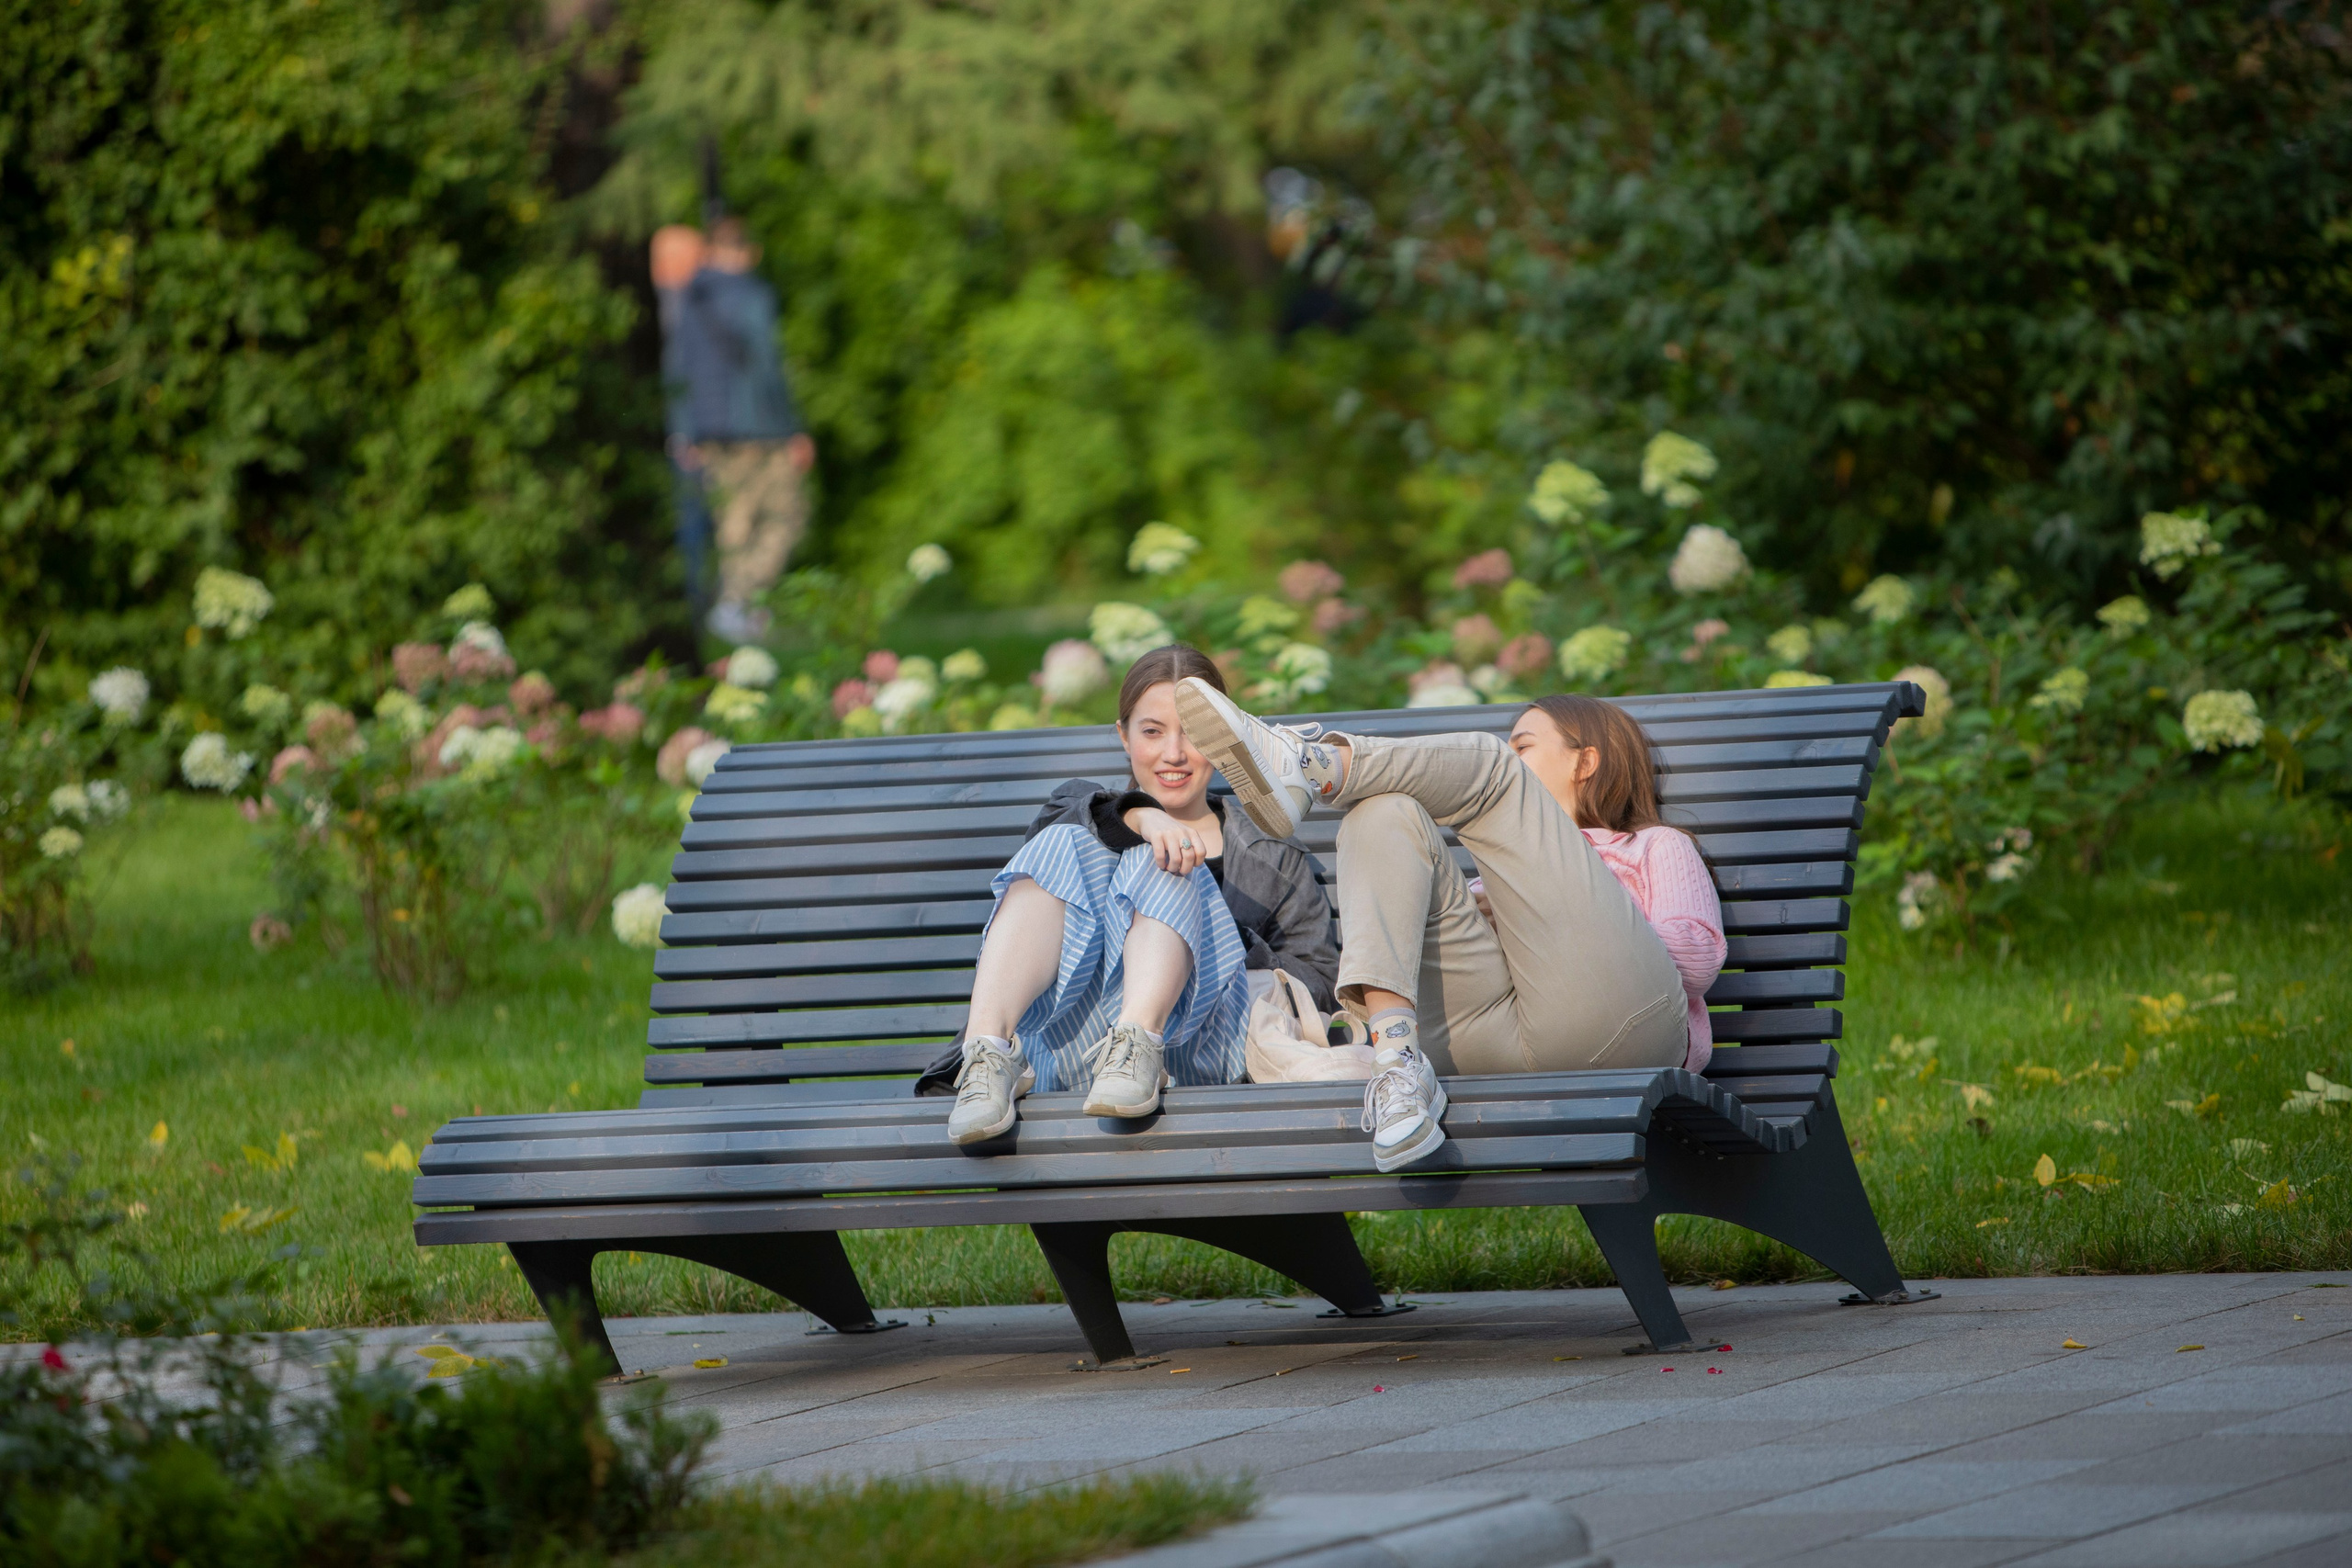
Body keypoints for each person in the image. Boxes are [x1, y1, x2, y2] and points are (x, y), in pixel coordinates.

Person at [1172, 681, 1725, 1174]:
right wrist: (1497, 916)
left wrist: (1562, 917)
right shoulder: (1494, 877)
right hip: (1486, 1043)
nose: (1515, 753)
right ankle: (1398, 1068)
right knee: (1381, 812)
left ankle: (1310, 765)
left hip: (1623, 1028)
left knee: (1491, 769)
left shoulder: (1653, 846)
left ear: (1586, 762)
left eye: (1525, 746)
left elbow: (1698, 960)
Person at [935, 645, 1340, 1145]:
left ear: (1224, 739)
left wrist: (1214, 937)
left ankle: (1137, 1042)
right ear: (1124, 735)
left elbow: (1322, 981)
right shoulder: (1076, 813)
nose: (1174, 753)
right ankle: (988, 1053)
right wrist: (1143, 816)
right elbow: (1064, 823)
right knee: (1085, 842)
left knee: (1166, 858)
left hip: (1197, 1053)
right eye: (1152, 731)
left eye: (1194, 733)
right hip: (1065, 1050)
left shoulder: (1272, 855)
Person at [658, 216, 814, 642]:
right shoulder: (752, 294)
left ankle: (735, 607)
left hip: (710, 432)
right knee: (786, 516)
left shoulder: (688, 298)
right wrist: (794, 428)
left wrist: (683, 430)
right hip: (759, 427)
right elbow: (766, 365)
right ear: (748, 252)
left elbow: (678, 369)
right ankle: (738, 602)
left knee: (734, 523)